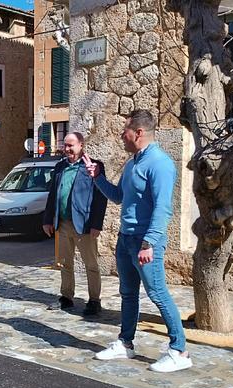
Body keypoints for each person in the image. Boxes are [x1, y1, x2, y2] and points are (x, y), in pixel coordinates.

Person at [87, 109, 192, 372]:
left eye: (125, 131)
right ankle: (125, 343)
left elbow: (163, 208)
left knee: (157, 293)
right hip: (126, 239)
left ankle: (179, 351)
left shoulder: (160, 163)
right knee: (128, 293)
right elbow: (119, 196)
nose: (122, 135)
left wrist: (150, 243)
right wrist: (97, 177)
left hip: (145, 242)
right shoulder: (133, 163)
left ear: (139, 132)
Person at [42, 131, 108, 316]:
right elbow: (53, 194)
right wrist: (47, 219)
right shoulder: (60, 167)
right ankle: (67, 297)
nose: (67, 148)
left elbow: (100, 197)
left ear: (81, 145)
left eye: (71, 145)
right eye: (65, 145)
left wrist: (97, 224)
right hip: (62, 224)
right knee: (64, 263)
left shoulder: (93, 167)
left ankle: (94, 300)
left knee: (91, 264)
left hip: (85, 225)